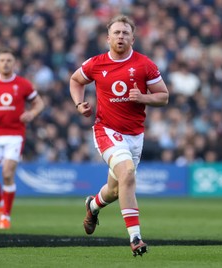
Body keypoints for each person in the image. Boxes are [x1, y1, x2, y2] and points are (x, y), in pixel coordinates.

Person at [69, 15, 169, 256]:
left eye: (125, 33)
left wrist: (144, 97)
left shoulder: (145, 64)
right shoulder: (96, 63)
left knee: (116, 189)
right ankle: (135, 238)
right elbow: (75, 80)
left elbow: (163, 96)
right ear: (108, 38)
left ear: (133, 38)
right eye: (116, 33)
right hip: (106, 130)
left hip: (135, 136)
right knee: (127, 173)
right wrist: (79, 104)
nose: (121, 36)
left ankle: (92, 206)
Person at [0, 47, 44, 229]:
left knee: (7, 174)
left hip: (15, 135)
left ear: (14, 63)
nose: (5, 63)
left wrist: (32, 113)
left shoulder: (23, 84)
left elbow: (39, 103)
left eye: (9, 60)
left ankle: (6, 216)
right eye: (2, 60)